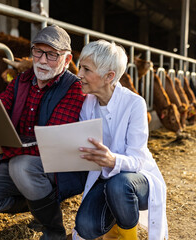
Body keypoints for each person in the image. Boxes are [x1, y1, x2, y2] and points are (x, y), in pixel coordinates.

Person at [0, 25, 86, 240]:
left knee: (21, 165)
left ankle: (54, 231)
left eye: (52, 55)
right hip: (19, 162)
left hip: (56, 169)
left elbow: (51, 143)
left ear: (66, 59)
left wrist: (0, 147)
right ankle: (38, 204)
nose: (42, 60)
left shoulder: (74, 89)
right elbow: (2, 112)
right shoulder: (22, 80)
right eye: (38, 51)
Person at [72, 40, 168, 240]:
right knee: (86, 227)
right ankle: (113, 228)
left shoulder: (134, 104)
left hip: (138, 180)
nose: (79, 74)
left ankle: (127, 236)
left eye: (86, 69)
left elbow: (137, 160)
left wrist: (113, 160)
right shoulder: (87, 104)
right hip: (104, 179)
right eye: (80, 66)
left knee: (119, 185)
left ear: (109, 76)